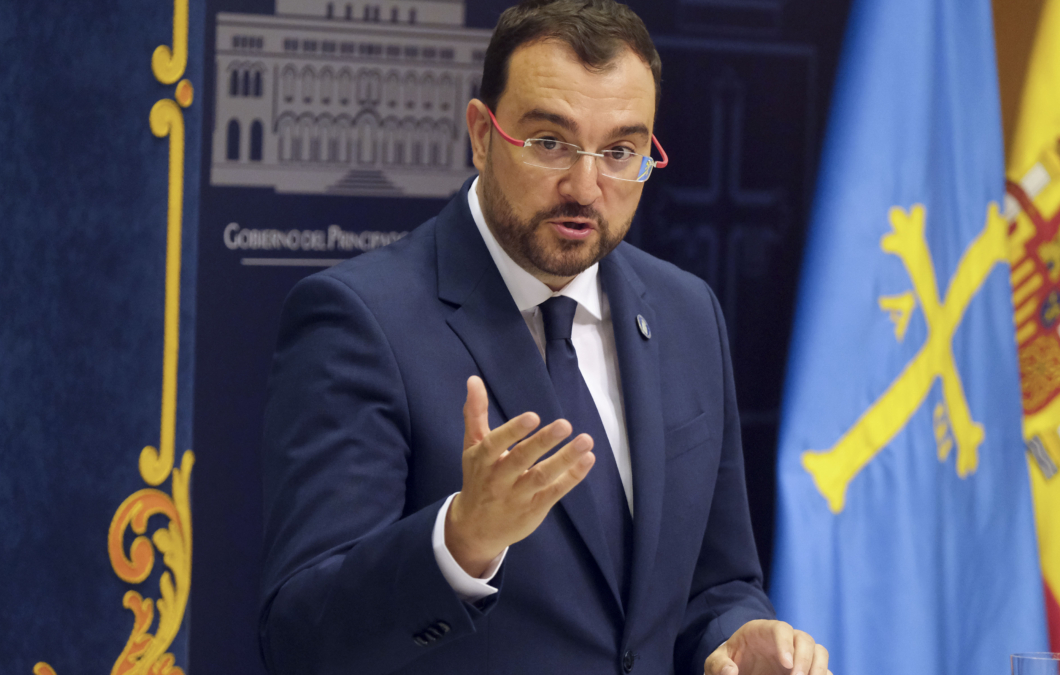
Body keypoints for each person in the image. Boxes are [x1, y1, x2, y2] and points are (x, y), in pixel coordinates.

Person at [259, 1, 830, 673]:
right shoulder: (361, 320)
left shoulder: (686, 314)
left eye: (621, 151)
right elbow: (299, 638)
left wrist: (732, 633)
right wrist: (461, 541)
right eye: (550, 142)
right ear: (481, 133)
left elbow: (716, 581)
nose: (585, 187)